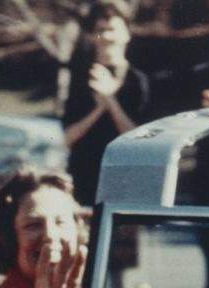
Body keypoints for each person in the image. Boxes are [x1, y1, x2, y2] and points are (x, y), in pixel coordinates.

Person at [62, 0, 149, 205]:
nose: (107, 37)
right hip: (83, 181)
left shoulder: (138, 81)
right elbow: (68, 137)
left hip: (124, 181)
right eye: (101, 30)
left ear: (127, 34)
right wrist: (99, 107)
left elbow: (139, 140)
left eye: (113, 29)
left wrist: (110, 99)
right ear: (92, 36)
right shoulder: (79, 79)